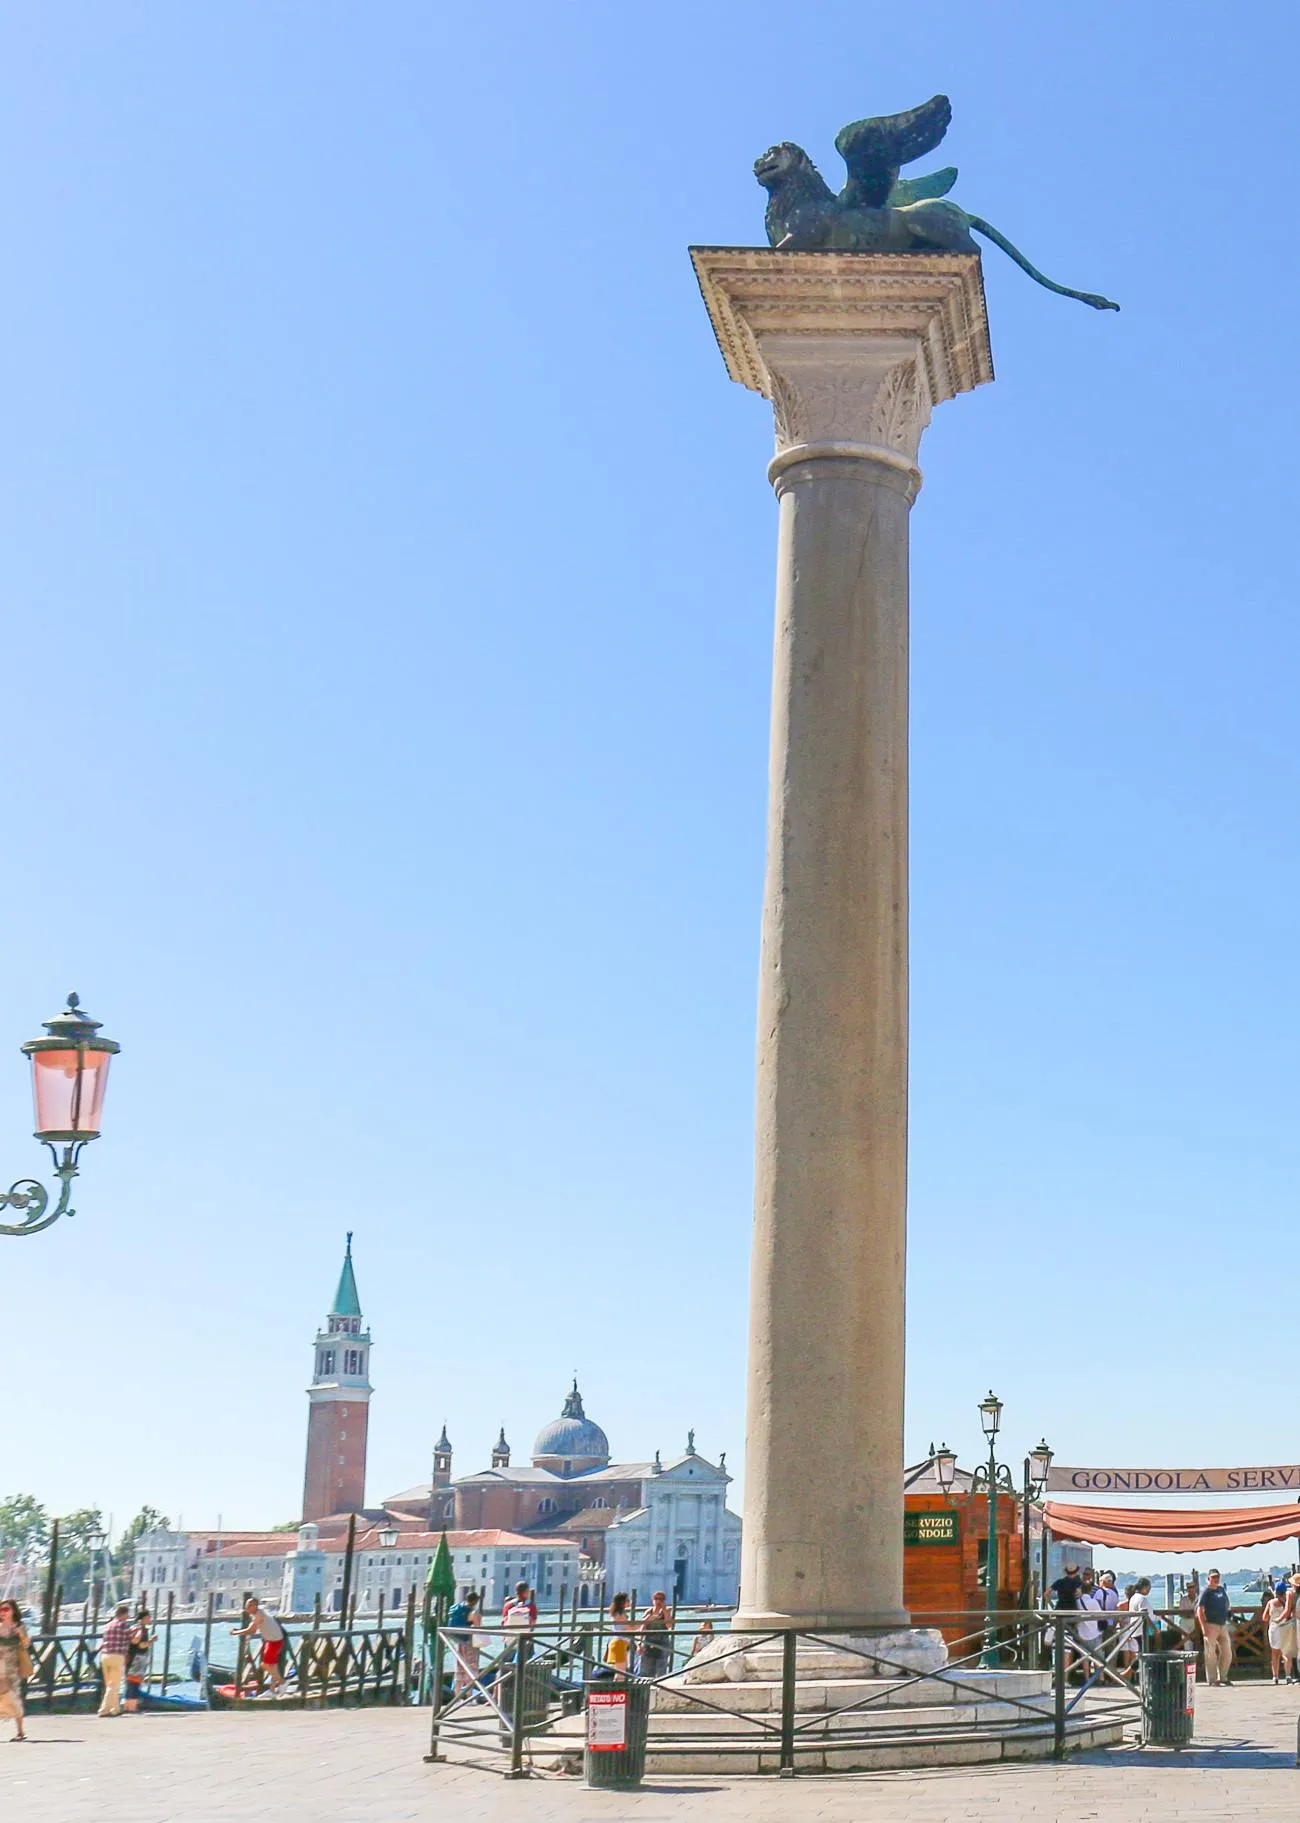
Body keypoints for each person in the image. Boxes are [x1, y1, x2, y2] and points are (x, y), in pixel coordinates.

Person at [231, 1596, 287, 1694]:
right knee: (272, 1666)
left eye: (249, 1606)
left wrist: (235, 1633)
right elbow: (252, 1628)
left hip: (275, 1641)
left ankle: (283, 1682)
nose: (246, 1608)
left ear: (255, 1606)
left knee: (265, 1665)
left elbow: (251, 1631)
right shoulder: (257, 1614)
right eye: (246, 1605)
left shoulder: (259, 1614)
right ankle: (272, 1691)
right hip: (271, 1641)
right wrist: (239, 1631)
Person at [0, 1600, 31, 1742]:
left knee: (14, 1697)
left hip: (12, 1668)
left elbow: (26, 1644)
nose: (3, 1612)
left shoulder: (19, 1626)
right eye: (1, 1610)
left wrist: (21, 1635)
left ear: (13, 1611)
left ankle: (20, 1732)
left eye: (6, 1609)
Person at [1197, 1569, 1233, 1686]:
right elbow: (1200, 1610)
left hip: (1223, 1624)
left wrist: (1228, 1613)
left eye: (1217, 1577)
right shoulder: (1206, 1592)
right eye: (1213, 1577)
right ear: (1208, 1579)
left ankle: (1223, 1676)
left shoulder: (1221, 1590)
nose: (1215, 1579)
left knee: (1227, 1652)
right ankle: (1212, 1680)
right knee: (1210, 1653)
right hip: (1210, 1624)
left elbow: (1227, 1604)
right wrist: (1203, 1626)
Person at [99, 1603, 133, 1716]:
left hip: (104, 1656)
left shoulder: (107, 1625)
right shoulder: (124, 1626)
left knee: (110, 1684)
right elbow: (132, 1639)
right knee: (113, 1685)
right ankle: (103, 1710)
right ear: (123, 1614)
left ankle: (115, 1709)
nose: (128, 1617)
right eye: (127, 1614)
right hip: (117, 1656)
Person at [448, 1587, 481, 1696]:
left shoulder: (458, 1608)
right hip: (468, 1642)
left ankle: (456, 1696)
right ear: (475, 1601)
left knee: (459, 1669)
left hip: (458, 1641)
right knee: (471, 1668)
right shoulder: (472, 1612)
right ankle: (469, 1696)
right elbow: (477, 1627)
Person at [124, 1609, 157, 1713]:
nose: (149, 1620)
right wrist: (151, 1641)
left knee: (130, 1682)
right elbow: (140, 1644)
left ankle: (128, 1706)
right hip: (137, 1658)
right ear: (143, 1619)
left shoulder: (134, 1628)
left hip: (133, 1657)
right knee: (134, 1682)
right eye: (148, 1618)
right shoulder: (140, 1629)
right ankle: (132, 1707)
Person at [638, 1590, 673, 1680]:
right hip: (649, 1642)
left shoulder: (667, 1611)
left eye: (661, 1599)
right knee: (646, 1671)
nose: (658, 1601)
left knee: (661, 1670)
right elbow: (642, 1627)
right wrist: (639, 1644)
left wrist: (664, 1611)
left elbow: (669, 1625)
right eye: (656, 1598)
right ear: (653, 1600)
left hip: (662, 1642)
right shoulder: (649, 1612)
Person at [1265, 1585, 1294, 1684]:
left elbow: (1264, 1617)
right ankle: (1288, 1676)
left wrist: (1272, 1615)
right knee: (1286, 1653)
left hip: (1273, 1629)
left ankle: (1275, 1677)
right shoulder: (1287, 1603)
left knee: (1275, 1654)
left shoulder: (1270, 1603)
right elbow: (1290, 1614)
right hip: (1285, 1628)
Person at [604, 1592, 633, 1674]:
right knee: (622, 1672)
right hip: (619, 1644)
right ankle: (621, 1687)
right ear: (622, 1602)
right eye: (627, 1600)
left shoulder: (617, 1613)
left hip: (618, 1643)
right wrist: (646, 1623)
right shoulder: (621, 1615)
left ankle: (620, 1687)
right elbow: (629, 1629)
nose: (629, 1602)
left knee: (619, 1672)